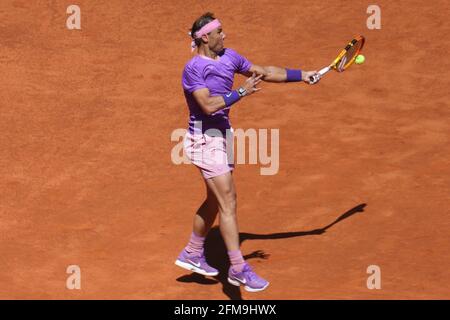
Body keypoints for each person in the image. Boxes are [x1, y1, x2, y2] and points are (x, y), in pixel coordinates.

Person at [175, 12, 319, 293]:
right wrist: (240, 92)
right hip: (204, 140)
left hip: (222, 136)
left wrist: (303, 75)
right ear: (206, 37)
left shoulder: (230, 56)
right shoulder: (194, 68)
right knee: (229, 202)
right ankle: (238, 268)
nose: (225, 36)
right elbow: (207, 105)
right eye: (220, 33)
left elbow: (264, 71)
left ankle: (192, 253)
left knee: (215, 202)